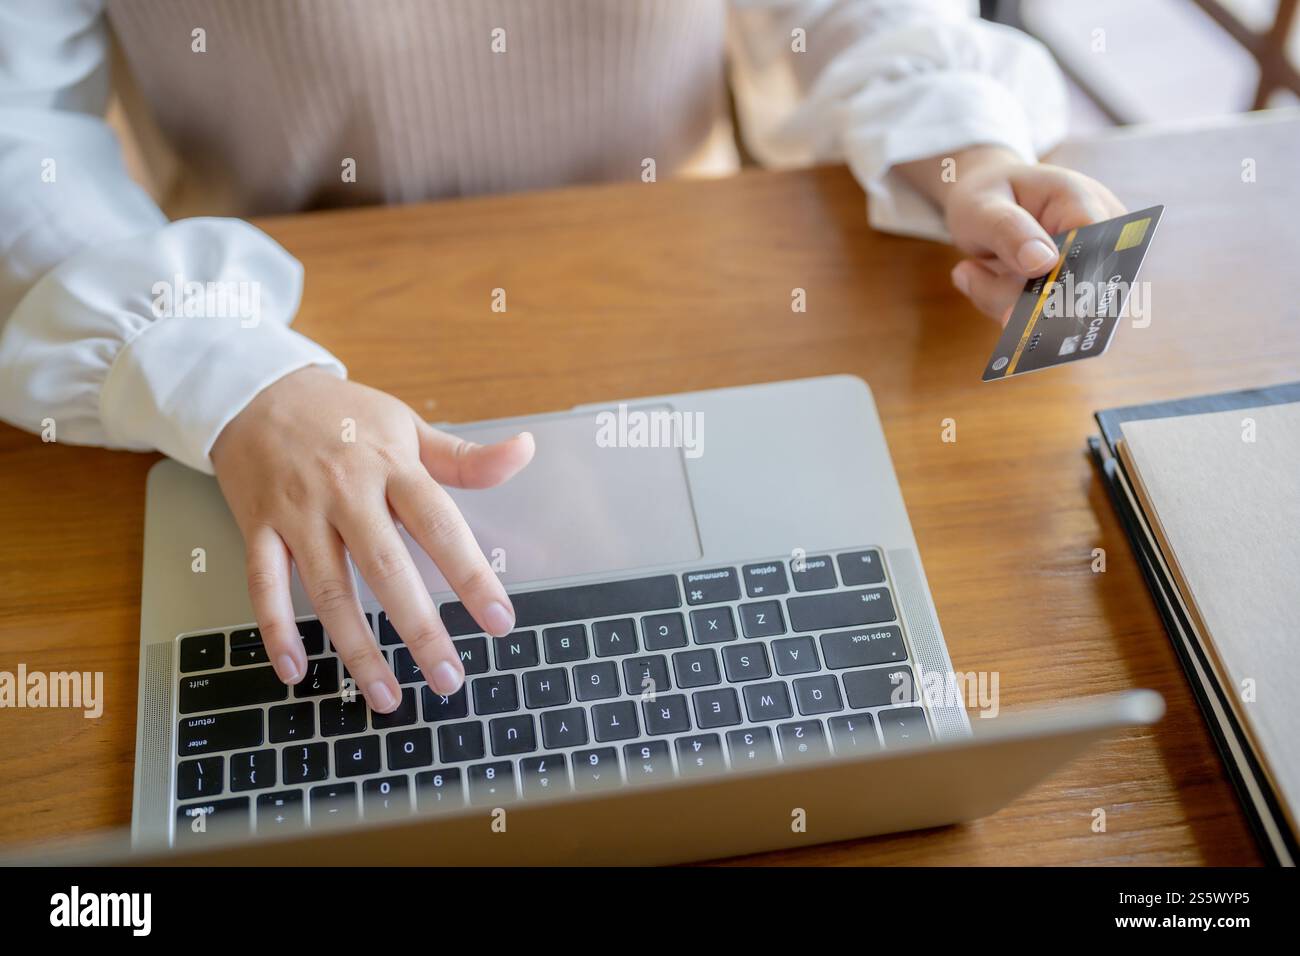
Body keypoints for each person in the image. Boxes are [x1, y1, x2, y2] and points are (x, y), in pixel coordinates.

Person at [0, 1, 1124, 713]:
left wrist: (961, 150)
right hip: (284, 346)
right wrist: (226, 374)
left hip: (681, 306)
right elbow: (17, 132)